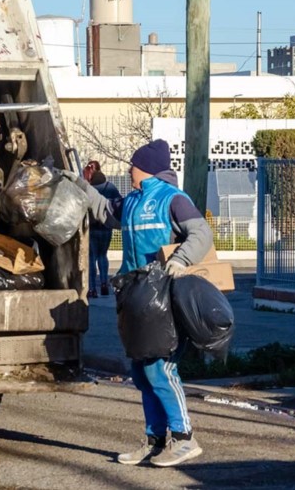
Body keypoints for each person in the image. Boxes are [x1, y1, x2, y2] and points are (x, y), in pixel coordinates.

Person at [68, 139, 213, 468]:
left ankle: (184, 437)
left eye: (133, 164)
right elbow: (105, 212)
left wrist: (181, 259)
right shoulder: (133, 200)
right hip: (134, 295)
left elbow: (201, 233)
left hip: (163, 296)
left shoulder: (173, 199)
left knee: (159, 367)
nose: (129, 169)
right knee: (140, 370)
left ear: (146, 167)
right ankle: (156, 440)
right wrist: (79, 183)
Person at [83, 160, 120, 298]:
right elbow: (118, 204)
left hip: (91, 228)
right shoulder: (110, 187)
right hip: (106, 227)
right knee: (103, 256)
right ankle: (104, 283)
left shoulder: (88, 188)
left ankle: (92, 288)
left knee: (91, 258)